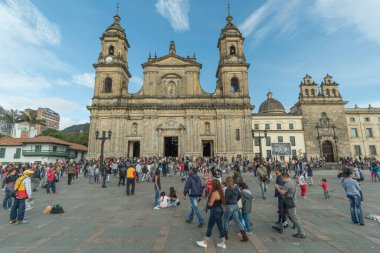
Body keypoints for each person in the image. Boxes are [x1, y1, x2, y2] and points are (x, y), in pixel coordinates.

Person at [196, 179, 226, 249]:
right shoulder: (221, 192)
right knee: (220, 226)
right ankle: (223, 243)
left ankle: (205, 242)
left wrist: (208, 204)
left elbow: (210, 204)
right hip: (220, 210)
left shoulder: (215, 192)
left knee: (210, 226)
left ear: (214, 185)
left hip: (215, 211)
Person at [275, 173, 306, 238]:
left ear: (285, 177)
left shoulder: (287, 184)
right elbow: (287, 189)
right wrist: (281, 187)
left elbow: (282, 192)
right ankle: (284, 224)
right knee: (290, 215)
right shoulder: (292, 182)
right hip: (292, 201)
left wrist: (278, 188)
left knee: (294, 217)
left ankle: (301, 232)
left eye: (282, 179)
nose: (282, 180)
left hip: (290, 203)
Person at [223, 176, 248, 242]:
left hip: (229, 206)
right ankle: (244, 236)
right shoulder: (236, 188)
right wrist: (235, 200)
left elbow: (226, 199)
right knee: (238, 221)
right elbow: (240, 195)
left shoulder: (228, 190)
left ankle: (225, 235)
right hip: (235, 206)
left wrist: (224, 203)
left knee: (225, 220)